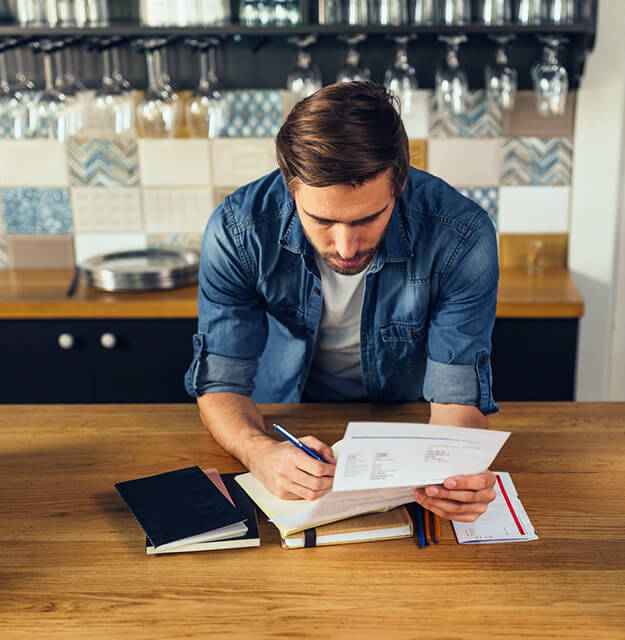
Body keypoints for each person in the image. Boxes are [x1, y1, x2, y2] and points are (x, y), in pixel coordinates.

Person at [185, 82, 499, 522]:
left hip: (407, 426)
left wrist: (455, 473)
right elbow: (222, 383)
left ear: (400, 184)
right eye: (323, 221)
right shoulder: (239, 230)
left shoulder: (461, 234)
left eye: (368, 218)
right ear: (291, 189)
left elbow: (456, 399)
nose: (346, 246)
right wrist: (261, 454)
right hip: (285, 420)